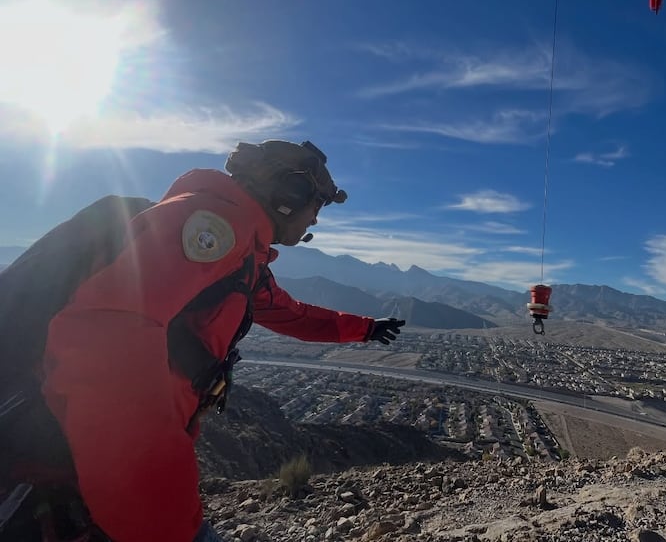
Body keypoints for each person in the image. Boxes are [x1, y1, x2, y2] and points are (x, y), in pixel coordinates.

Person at [0, 139, 405, 542]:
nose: (314, 220)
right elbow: (106, 338)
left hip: (80, 457)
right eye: (316, 205)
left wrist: (365, 328)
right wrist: (162, 520)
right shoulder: (216, 224)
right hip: (76, 457)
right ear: (290, 193)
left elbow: (290, 313)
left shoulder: (244, 255)